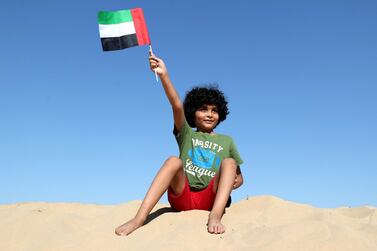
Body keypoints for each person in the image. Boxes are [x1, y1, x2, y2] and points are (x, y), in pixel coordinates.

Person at [115, 51, 244, 236]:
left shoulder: (227, 141)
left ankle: (215, 216)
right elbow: (176, 105)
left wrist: (233, 181)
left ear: (220, 114)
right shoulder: (187, 135)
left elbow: (239, 178)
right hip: (183, 196)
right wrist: (164, 75)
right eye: (203, 109)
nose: (209, 114)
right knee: (173, 160)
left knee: (229, 162)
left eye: (214, 110)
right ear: (193, 112)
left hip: (211, 199)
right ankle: (139, 218)